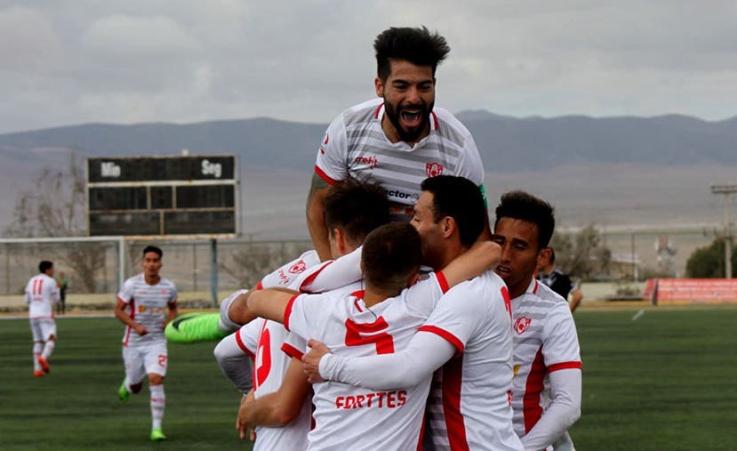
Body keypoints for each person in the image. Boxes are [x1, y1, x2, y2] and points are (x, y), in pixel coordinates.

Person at [301, 176, 523, 450]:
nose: (411, 228)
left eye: (417, 218)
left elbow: (409, 367)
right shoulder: (455, 285)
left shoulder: (470, 293)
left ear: (447, 226)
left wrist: (327, 365)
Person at [242, 223, 500, 449]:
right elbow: (490, 251)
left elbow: (256, 300)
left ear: (362, 266)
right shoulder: (421, 303)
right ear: (413, 277)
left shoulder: (319, 311)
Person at [307, 26, 485, 261]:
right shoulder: (348, 128)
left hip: (427, 278)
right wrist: (330, 274)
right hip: (357, 270)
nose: (413, 98)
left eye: (424, 86)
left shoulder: (458, 143)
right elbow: (317, 207)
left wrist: (441, 287)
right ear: (380, 86)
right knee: (254, 297)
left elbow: (479, 234)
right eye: (401, 86)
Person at [167, 178, 391, 344]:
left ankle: (221, 323)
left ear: (338, 237)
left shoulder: (312, 269)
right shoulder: (407, 271)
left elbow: (238, 330)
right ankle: (222, 321)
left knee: (248, 310)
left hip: (307, 380)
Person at [492, 191, 583, 450]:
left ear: (542, 256)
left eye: (519, 246)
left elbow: (567, 403)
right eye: (499, 241)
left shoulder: (553, 310)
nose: (505, 255)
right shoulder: (464, 294)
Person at [114, 246, 178, 442]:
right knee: (136, 386)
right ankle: (128, 383)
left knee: (156, 379)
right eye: (148, 260)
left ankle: (156, 428)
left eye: (155, 260)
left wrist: (168, 323)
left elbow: (173, 309)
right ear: (143, 263)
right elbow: (118, 310)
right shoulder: (131, 285)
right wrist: (135, 326)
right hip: (133, 342)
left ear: (160, 263)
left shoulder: (169, 287)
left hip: (157, 341)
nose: (151, 264)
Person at [25, 260, 61, 378]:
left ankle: (37, 370)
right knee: (51, 338)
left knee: (38, 341)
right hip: (45, 313)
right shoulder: (51, 281)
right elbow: (56, 299)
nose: (53, 271)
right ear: (47, 270)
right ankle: (43, 358)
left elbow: (27, 300)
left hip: (32, 314)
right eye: (52, 268)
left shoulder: (31, 280)